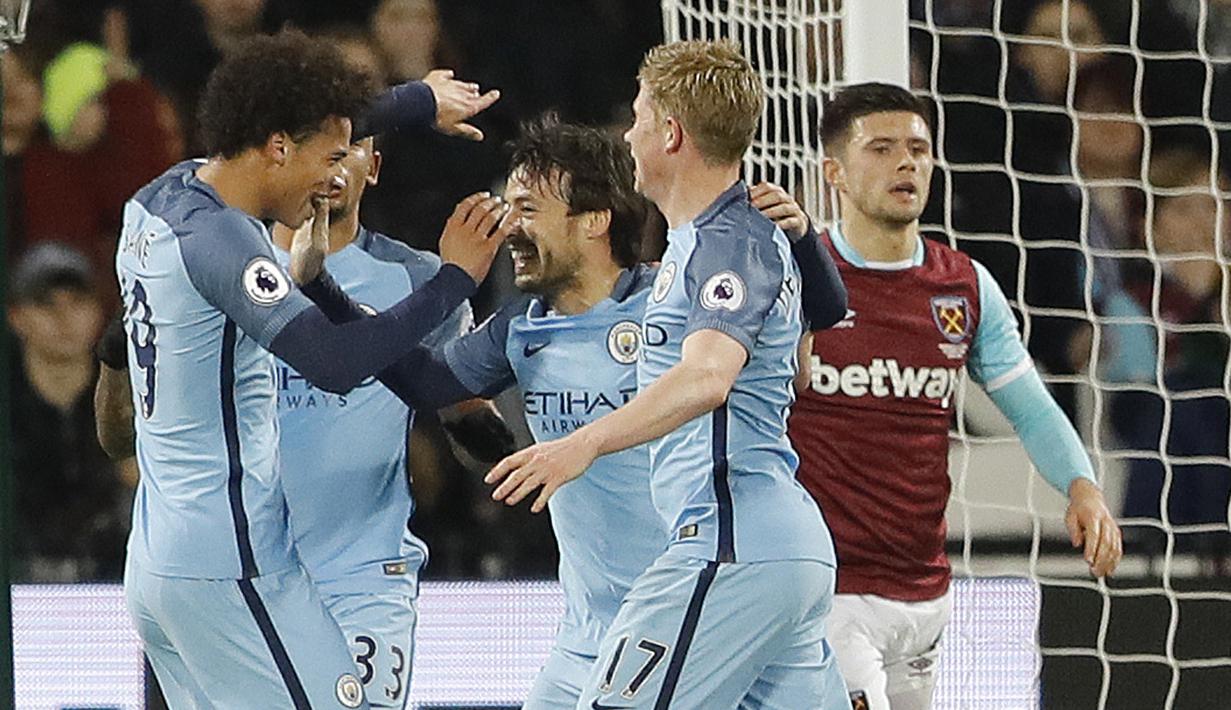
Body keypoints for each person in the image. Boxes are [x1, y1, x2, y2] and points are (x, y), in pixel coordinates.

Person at [114, 30, 504, 708]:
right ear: (276, 149)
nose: (333, 177)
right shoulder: (226, 244)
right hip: (228, 561)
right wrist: (453, 282)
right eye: (328, 158)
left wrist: (415, 101)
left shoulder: (159, 198)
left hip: (160, 561)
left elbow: (290, 125)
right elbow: (329, 361)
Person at [484, 40, 851, 708]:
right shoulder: (713, 240)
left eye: (638, 117)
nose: (628, 134)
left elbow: (709, 377)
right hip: (774, 548)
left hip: (727, 542)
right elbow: (796, 371)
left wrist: (582, 441)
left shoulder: (728, 240)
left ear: (671, 134)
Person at [787, 82, 1123, 710]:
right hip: (824, 589)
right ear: (833, 171)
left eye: (918, 148)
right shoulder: (794, 278)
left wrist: (1082, 487)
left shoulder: (964, 286)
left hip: (923, 592)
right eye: (881, 148)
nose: (905, 162)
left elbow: (1027, 402)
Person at [8, 243, 134, 582]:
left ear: (97, 310)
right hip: (19, 579)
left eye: (78, 302)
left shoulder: (129, 390)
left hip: (114, 580)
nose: (65, 319)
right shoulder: (9, 398)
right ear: (17, 317)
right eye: (47, 305)